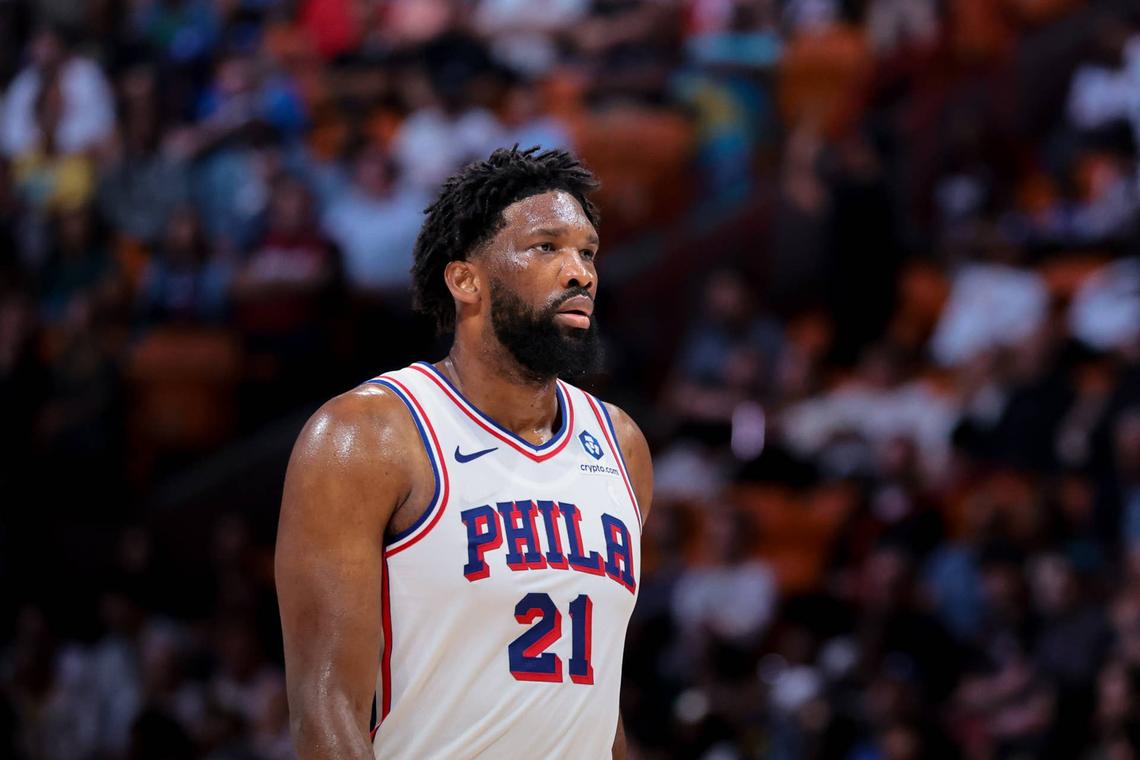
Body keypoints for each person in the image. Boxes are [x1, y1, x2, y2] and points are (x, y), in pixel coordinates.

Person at [275, 146, 653, 759]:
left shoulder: (621, 444)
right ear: (465, 280)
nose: (580, 272)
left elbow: (597, 707)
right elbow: (325, 709)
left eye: (588, 252)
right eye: (546, 247)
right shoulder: (366, 436)